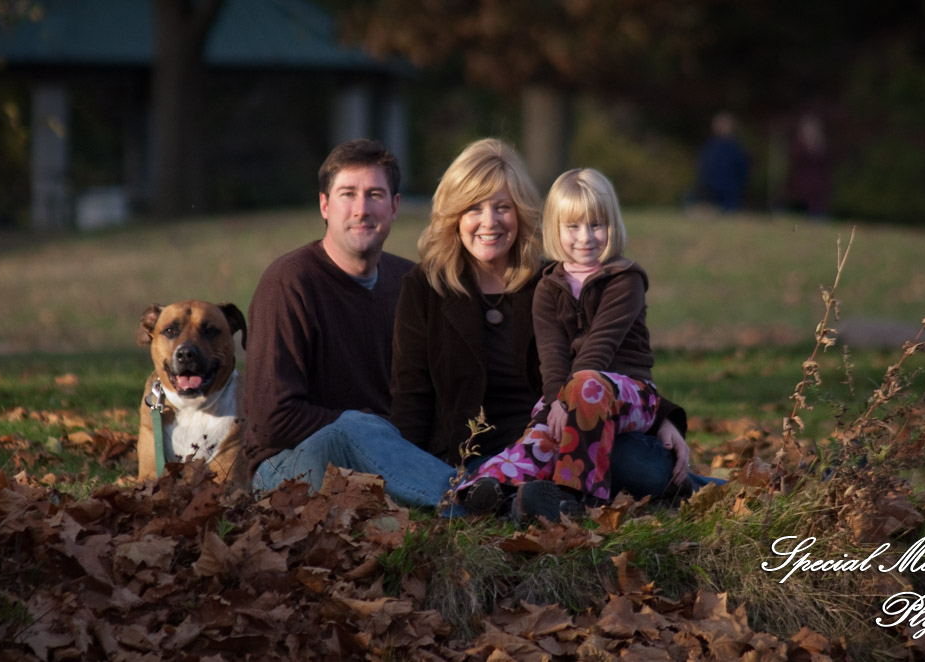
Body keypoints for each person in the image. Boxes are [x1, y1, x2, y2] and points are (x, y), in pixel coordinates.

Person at [392, 140, 701, 518]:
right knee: (631, 468)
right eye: (473, 208)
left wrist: (663, 417)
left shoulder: (550, 281)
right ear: (453, 216)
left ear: (521, 212)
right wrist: (411, 469)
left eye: (502, 207)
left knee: (638, 463)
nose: (489, 221)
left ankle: (533, 500)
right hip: (475, 452)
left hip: (560, 436)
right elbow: (411, 391)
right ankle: (519, 499)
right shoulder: (425, 286)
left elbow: (600, 353)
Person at [243, 138, 451, 508]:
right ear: (324, 205)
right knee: (353, 428)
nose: (362, 209)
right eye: (347, 194)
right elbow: (272, 421)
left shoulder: (411, 282)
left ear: (394, 206)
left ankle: (504, 485)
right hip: (286, 467)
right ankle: (468, 500)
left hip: (386, 453)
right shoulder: (289, 282)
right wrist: (375, 427)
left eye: (374, 195)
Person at [691, 112, 750, 213]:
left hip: (730, 188)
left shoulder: (736, 148)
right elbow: (703, 166)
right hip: (710, 187)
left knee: (729, 212)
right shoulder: (710, 146)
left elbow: (742, 168)